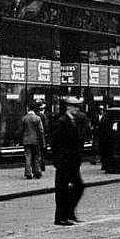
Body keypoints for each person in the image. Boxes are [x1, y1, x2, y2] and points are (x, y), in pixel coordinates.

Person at [51, 96, 86, 226]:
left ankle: (69, 213)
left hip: (73, 162)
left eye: (78, 107)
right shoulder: (62, 121)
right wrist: (58, 161)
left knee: (78, 187)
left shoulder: (74, 121)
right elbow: (55, 142)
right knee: (62, 190)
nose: (77, 109)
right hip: (64, 162)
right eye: (75, 106)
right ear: (68, 107)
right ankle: (60, 217)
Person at [21, 100, 46, 179]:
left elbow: (21, 130)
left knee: (28, 156)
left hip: (26, 140)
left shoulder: (24, 118)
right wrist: (43, 141)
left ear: (28, 109)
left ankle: (28, 173)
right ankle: (37, 172)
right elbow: (41, 131)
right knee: (36, 156)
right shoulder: (37, 118)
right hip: (36, 140)